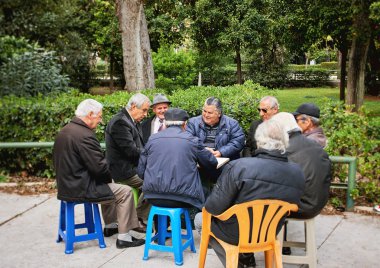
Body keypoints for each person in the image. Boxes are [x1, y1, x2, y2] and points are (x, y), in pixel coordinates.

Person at [195, 120, 305, 268]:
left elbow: (213, 207)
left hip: (236, 233)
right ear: (285, 143)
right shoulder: (297, 172)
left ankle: (237, 263)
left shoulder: (239, 167)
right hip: (270, 232)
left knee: (200, 218)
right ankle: (243, 259)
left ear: (258, 141)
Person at [53, 99, 145, 249]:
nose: (101, 121)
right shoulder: (85, 135)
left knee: (109, 184)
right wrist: (108, 177)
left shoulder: (65, 130)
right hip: (81, 188)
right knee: (125, 191)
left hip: (66, 186)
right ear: (90, 114)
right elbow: (100, 169)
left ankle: (111, 225)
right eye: (99, 117)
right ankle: (124, 237)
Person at [271, 112, 331, 255]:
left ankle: (246, 254)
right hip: (319, 202)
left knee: (249, 202)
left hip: (302, 206)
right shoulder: (314, 144)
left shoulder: (284, 149)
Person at [138, 108, 218, 210]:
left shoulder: (152, 139)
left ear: (165, 124)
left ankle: (160, 226)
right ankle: (193, 223)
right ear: (185, 124)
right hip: (183, 198)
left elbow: (141, 172)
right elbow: (212, 163)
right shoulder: (192, 141)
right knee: (205, 187)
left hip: (152, 196)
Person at [105, 93, 151, 227]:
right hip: (124, 171)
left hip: (133, 167)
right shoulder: (120, 122)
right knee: (155, 183)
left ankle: (139, 217)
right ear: (133, 106)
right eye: (144, 110)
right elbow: (131, 151)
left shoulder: (130, 120)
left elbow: (138, 149)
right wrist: (153, 154)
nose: (146, 114)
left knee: (157, 179)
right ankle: (138, 219)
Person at [186, 97, 245, 183]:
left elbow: (238, 141)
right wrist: (203, 150)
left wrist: (221, 152)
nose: (206, 115)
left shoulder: (232, 123)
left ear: (219, 113)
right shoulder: (193, 122)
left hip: (224, 162)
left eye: (210, 113)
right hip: (199, 161)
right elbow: (188, 140)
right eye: (204, 111)